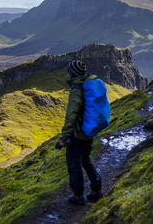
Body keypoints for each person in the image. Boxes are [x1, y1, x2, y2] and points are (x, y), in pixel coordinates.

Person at [56, 60, 102, 205]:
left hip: (78, 134)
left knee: (74, 164)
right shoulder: (91, 84)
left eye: (69, 72)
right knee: (86, 160)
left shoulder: (77, 89)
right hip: (90, 131)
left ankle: (77, 195)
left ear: (73, 73)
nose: (68, 74)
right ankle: (96, 190)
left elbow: (72, 115)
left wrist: (63, 138)